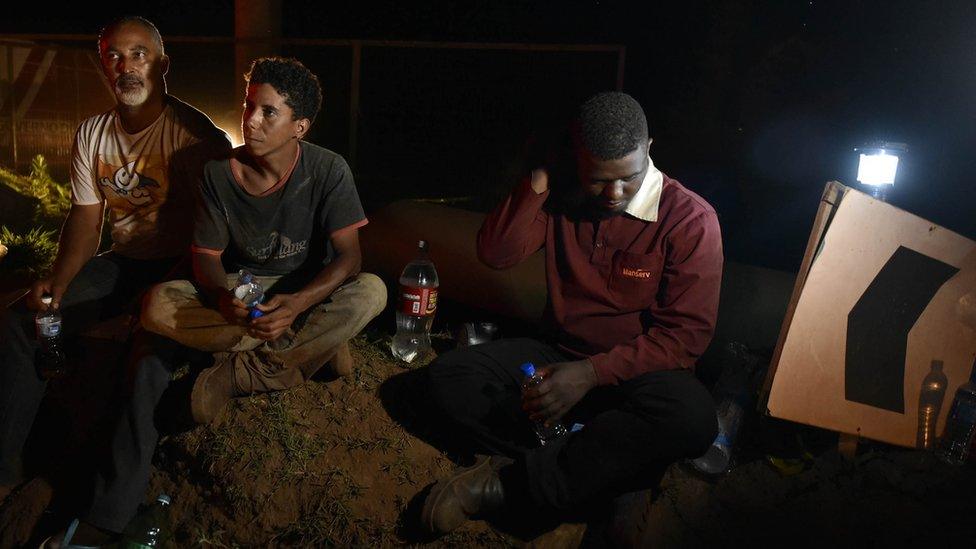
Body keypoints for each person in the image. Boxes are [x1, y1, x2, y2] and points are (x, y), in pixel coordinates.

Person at [51, 56, 385, 546]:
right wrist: (220, 294)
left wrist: (295, 303)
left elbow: (348, 258)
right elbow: (205, 258)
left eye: (269, 112)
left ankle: (249, 366)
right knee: (158, 304)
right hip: (244, 290)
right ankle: (301, 348)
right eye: (250, 106)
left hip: (304, 293)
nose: (251, 120)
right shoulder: (218, 174)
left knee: (372, 291)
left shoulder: (327, 169)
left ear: (301, 126)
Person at [420, 92, 723, 539]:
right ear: (575, 161)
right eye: (599, 179)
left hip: (640, 375)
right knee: (447, 379)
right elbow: (497, 252)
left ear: (649, 148)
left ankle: (503, 486)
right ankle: (610, 470)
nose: (614, 194)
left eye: (629, 178)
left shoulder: (691, 219)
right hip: (557, 354)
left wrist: (590, 373)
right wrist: (540, 174)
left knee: (693, 418)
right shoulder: (566, 195)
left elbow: (684, 340)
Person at [0, 14, 229, 535]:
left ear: (163, 64)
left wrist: (156, 293)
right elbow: (86, 217)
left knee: (140, 356)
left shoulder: (196, 138)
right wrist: (59, 282)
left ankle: (105, 514)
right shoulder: (92, 133)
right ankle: (6, 473)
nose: (125, 67)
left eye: (138, 54)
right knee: (22, 320)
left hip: (185, 268)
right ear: (104, 64)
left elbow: (213, 235)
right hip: (123, 262)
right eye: (113, 56)